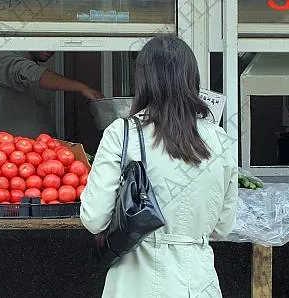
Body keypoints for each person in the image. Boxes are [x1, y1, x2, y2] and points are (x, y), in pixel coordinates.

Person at [79, 35, 238, 297]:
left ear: (142, 80)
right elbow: (222, 228)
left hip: (136, 282)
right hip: (199, 283)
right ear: (191, 79)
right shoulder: (219, 139)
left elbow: (95, 219)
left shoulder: (123, 133)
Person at [0, 51, 104, 138]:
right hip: (9, 154)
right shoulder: (3, 57)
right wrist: (81, 87)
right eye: (46, 41)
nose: (51, 50)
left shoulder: (32, 64)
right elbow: (32, 74)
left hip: (40, 153)